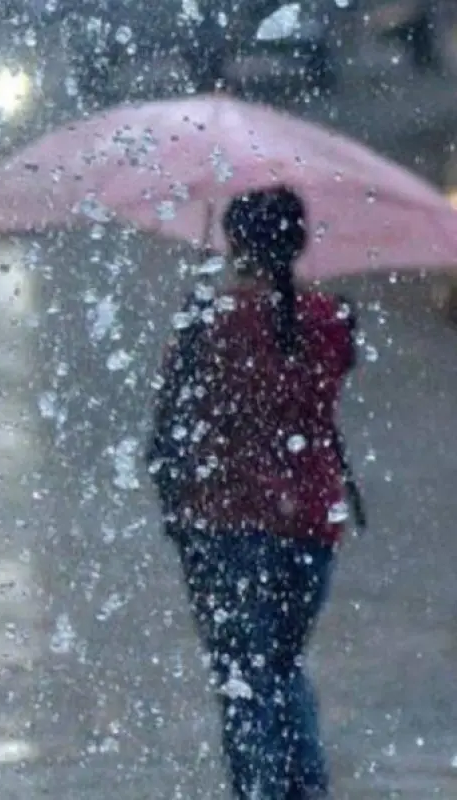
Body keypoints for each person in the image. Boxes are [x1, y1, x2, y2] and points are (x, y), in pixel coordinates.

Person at [146, 186, 362, 799]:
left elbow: (176, 412)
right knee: (283, 666)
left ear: (236, 243)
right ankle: (305, 790)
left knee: (242, 676)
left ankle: (259, 793)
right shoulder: (331, 320)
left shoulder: (210, 323)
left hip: (224, 520)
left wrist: (198, 308)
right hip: (312, 522)